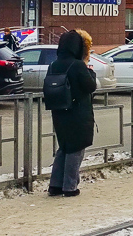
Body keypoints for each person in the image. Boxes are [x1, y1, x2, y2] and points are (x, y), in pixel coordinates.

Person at [46, 29, 96, 197]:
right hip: (78, 113)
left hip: (59, 112)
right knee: (76, 149)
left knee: (64, 147)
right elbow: (90, 86)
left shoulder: (54, 64)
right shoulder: (77, 65)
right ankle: (70, 187)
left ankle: (55, 186)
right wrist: (90, 70)